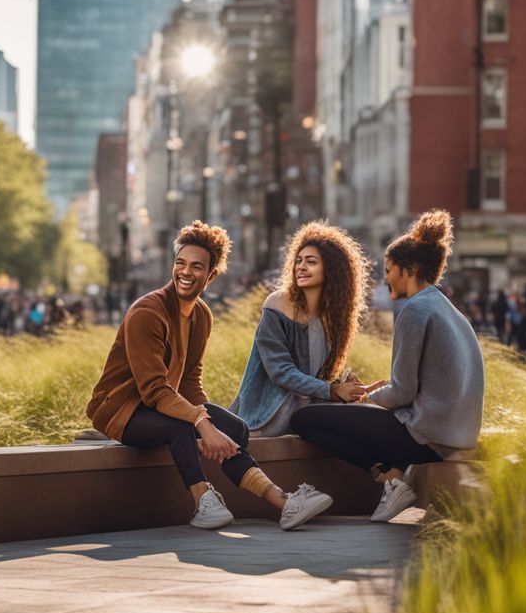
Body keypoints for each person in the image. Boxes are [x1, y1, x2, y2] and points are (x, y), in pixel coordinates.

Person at [87, 221, 334, 531]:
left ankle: (282, 503)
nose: (185, 272)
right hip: (121, 411)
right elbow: (154, 391)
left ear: (211, 274)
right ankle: (203, 501)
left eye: (196, 266)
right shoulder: (147, 313)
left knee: (235, 428)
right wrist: (200, 423)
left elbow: (189, 382)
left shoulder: (201, 315)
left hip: (161, 406)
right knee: (182, 427)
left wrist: (211, 425)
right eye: (180, 263)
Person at [291, 210, 485, 522]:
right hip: (457, 437)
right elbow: (421, 385)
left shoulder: (414, 310)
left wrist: (362, 400)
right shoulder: (452, 312)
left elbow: (404, 392)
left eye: (389, 269)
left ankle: (386, 476)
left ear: (408, 269)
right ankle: (396, 476)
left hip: (425, 440)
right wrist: (377, 392)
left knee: (305, 419)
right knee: (357, 418)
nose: (385, 278)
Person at [229, 222, 370, 436]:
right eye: (298, 261)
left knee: (367, 414)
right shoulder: (277, 305)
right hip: (269, 414)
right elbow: (281, 372)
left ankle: (382, 470)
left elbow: (318, 375)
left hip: (308, 411)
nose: (301, 267)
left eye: (311, 262)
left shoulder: (333, 318)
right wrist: (332, 391)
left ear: (331, 269)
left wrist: (349, 388)